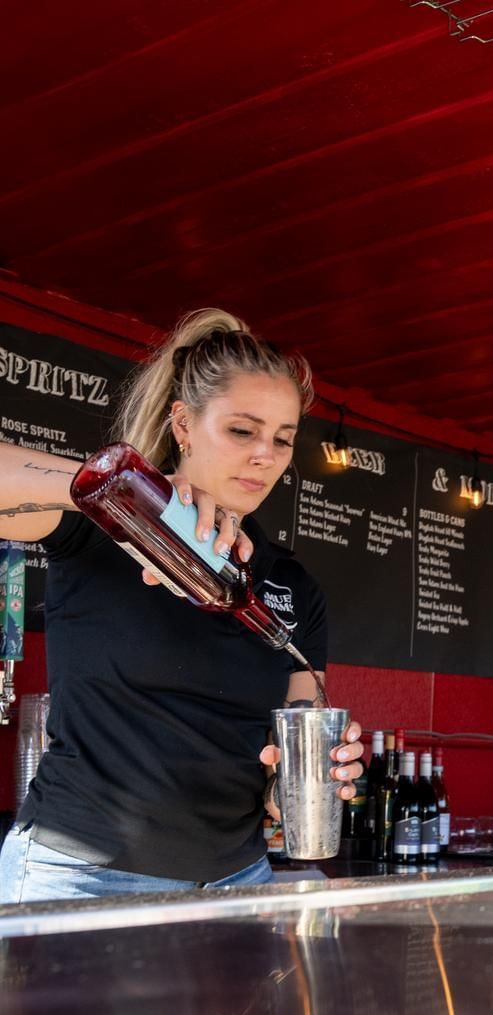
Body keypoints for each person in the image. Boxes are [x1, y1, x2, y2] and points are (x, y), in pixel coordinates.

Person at [0, 309, 363, 902]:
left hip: (235, 881)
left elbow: (294, 736)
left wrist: (306, 776)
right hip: (82, 877)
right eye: (242, 431)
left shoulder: (291, 583)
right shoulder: (105, 527)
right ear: (184, 424)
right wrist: (128, 492)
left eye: (282, 439)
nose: (266, 455)